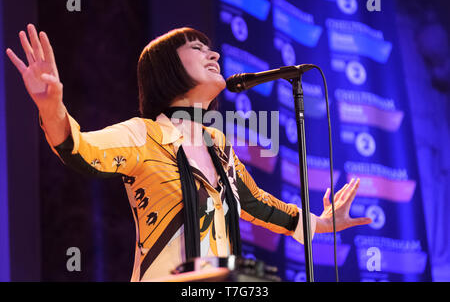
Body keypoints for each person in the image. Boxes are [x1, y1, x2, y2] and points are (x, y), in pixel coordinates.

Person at [6, 24, 372, 281]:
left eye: (209, 47)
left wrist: (320, 223)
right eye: (196, 48)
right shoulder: (143, 135)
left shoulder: (218, 145)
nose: (213, 53)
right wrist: (51, 105)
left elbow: (255, 203)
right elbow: (81, 150)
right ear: (167, 69)